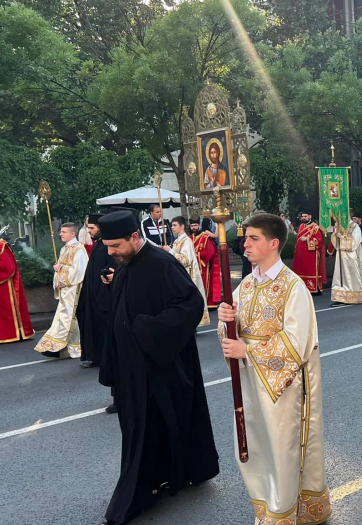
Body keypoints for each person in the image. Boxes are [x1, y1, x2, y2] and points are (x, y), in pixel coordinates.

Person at [97, 210, 219, 525]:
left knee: (148, 428)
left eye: (114, 246)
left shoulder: (162, 263)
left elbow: (191, 305)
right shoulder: (126, 264)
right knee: (150, 428)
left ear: (135, 237)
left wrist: (146, 329)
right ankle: (166, 476)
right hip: (132, 369)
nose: (109, 252)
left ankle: (138, 495)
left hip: (157, 368)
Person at [217, 213, 331, 525]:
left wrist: (247, 351)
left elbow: (295, 343)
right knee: (258, 446)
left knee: (283, 448)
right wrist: (226, 319)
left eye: (254, 238)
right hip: (253, 383)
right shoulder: (246, 285)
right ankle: (268, 508)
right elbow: (233, 331)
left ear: (274, 243)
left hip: (283, 387)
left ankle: (281, 515)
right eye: (245, 238)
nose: (246, 244)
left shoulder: (293, 287)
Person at [35, 222, 89, 359]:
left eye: (63, 232)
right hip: (65, 289)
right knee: (66, 317)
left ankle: (59, 347)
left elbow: (79, 271)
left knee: (68, 317)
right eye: (61, 232)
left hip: (73, 289)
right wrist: (58, 278)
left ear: (72, 233)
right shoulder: (64, 249)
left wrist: (60, 270)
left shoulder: (79, 249)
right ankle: (66, 347)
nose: (60, 234)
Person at [0, 219, 34, 344]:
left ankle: (10, 334)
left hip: (3, 288)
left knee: (3, 312)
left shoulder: (2, 245)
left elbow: (8, 267)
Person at [77, 213, 116, 370]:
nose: (89, 231)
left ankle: (105, 357)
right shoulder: (98, 244)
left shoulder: (109, 245)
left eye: (92, 228)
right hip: (92, 294)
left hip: (104, 295)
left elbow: (112, 266)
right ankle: (93, 356)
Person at [165, 216, 210, 327]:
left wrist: (170, 251)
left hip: (187, 275)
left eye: (175, 225)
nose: (172, 227)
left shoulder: (187, 241)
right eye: (172, 225)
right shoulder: (176, 241)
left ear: (182, 226)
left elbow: (185, 260)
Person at [328, 217, 362, 306]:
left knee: (350, 276)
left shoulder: (355, 227)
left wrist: (341, 237)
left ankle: (353, 296)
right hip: (341, 255)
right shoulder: (340, 226)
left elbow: (354, 243)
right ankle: (340, 297)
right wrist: (335, 232)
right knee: (340, 276)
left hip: (351, 256)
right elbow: (335, 243)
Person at [293, 210, 326, 295]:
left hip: (311, 255)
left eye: (305, 216)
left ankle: (314, 289)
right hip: (300, 254)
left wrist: (307, 239)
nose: (303, 218)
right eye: (302, 216)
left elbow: (319, 241)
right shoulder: (301, 226)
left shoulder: (315, 227)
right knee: (301, 270)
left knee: (310, 270)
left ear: (310, 216)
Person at [190, 218, 221, 309]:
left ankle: (206, 303)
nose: (194, 227)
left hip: (203, 267)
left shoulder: (206, 237)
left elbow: (210, 251)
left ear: (199, 226)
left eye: (195, 225)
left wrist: (198, 258)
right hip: (192, 266)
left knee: (204, 284)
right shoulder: (190, 238)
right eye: (192, 226)